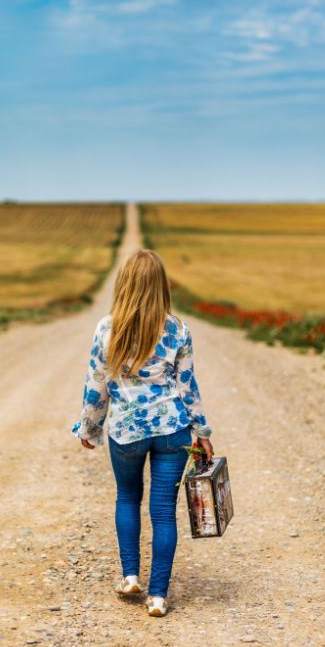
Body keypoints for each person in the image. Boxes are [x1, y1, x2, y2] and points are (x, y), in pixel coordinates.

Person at [71, 249, 214, 618]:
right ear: (160, 287)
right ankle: (158, 597)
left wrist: (90, 427)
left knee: (128, 498)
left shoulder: (107, 328)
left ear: (125, 284)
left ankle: (131, 575)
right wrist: (202, 430)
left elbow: (96, 385)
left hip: (127, 431)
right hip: (172, 429)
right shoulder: (178, 329)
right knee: (164, 513)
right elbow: (188, 386)